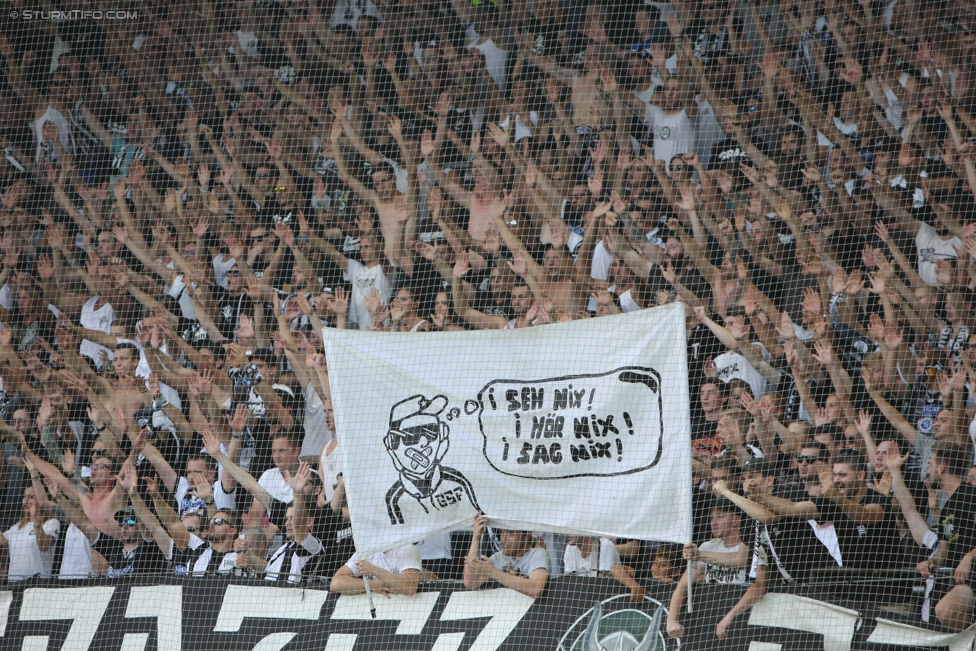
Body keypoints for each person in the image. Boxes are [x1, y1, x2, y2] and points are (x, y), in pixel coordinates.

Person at [666, 496, 768, 641]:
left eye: (720, 517)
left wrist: (730, 616)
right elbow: (682, 586)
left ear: (736, 520)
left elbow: (759, 587)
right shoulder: (707, 546)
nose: (713, 522)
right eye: (712, 517)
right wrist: (671, 620)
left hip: (743, 620)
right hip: (709, 620)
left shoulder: (754, 548)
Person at [463, 512, 550, 599]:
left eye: (511, 533)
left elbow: (536, 589)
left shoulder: (537, 553)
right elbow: (470, 582)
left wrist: (492, 572)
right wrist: (476, 538)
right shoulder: (499, 557)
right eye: (502, 532)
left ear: (527, 536)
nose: (503, 539)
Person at [0, 484, 60, 581]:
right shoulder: (17, 527)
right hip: (14, 585)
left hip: (37, 584)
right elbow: (1, 542)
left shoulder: (51, 523)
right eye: (24, 496)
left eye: (31, 497)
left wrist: (36, 518)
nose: (26, 500)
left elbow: (43, 545)